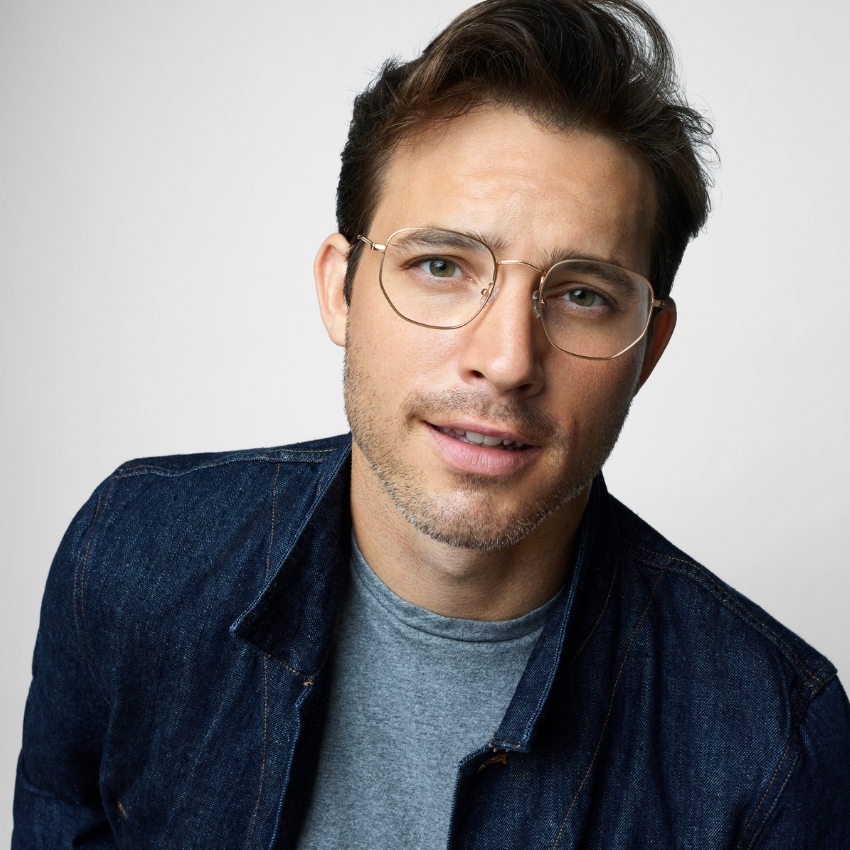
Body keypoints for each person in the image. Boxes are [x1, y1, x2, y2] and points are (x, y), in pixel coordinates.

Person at [13, 0, 850, 847]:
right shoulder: (130, 553)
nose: (508, 358)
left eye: (583, 294)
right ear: (341, 291)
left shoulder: (774, 743)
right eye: (442, 266)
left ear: (649, 348)